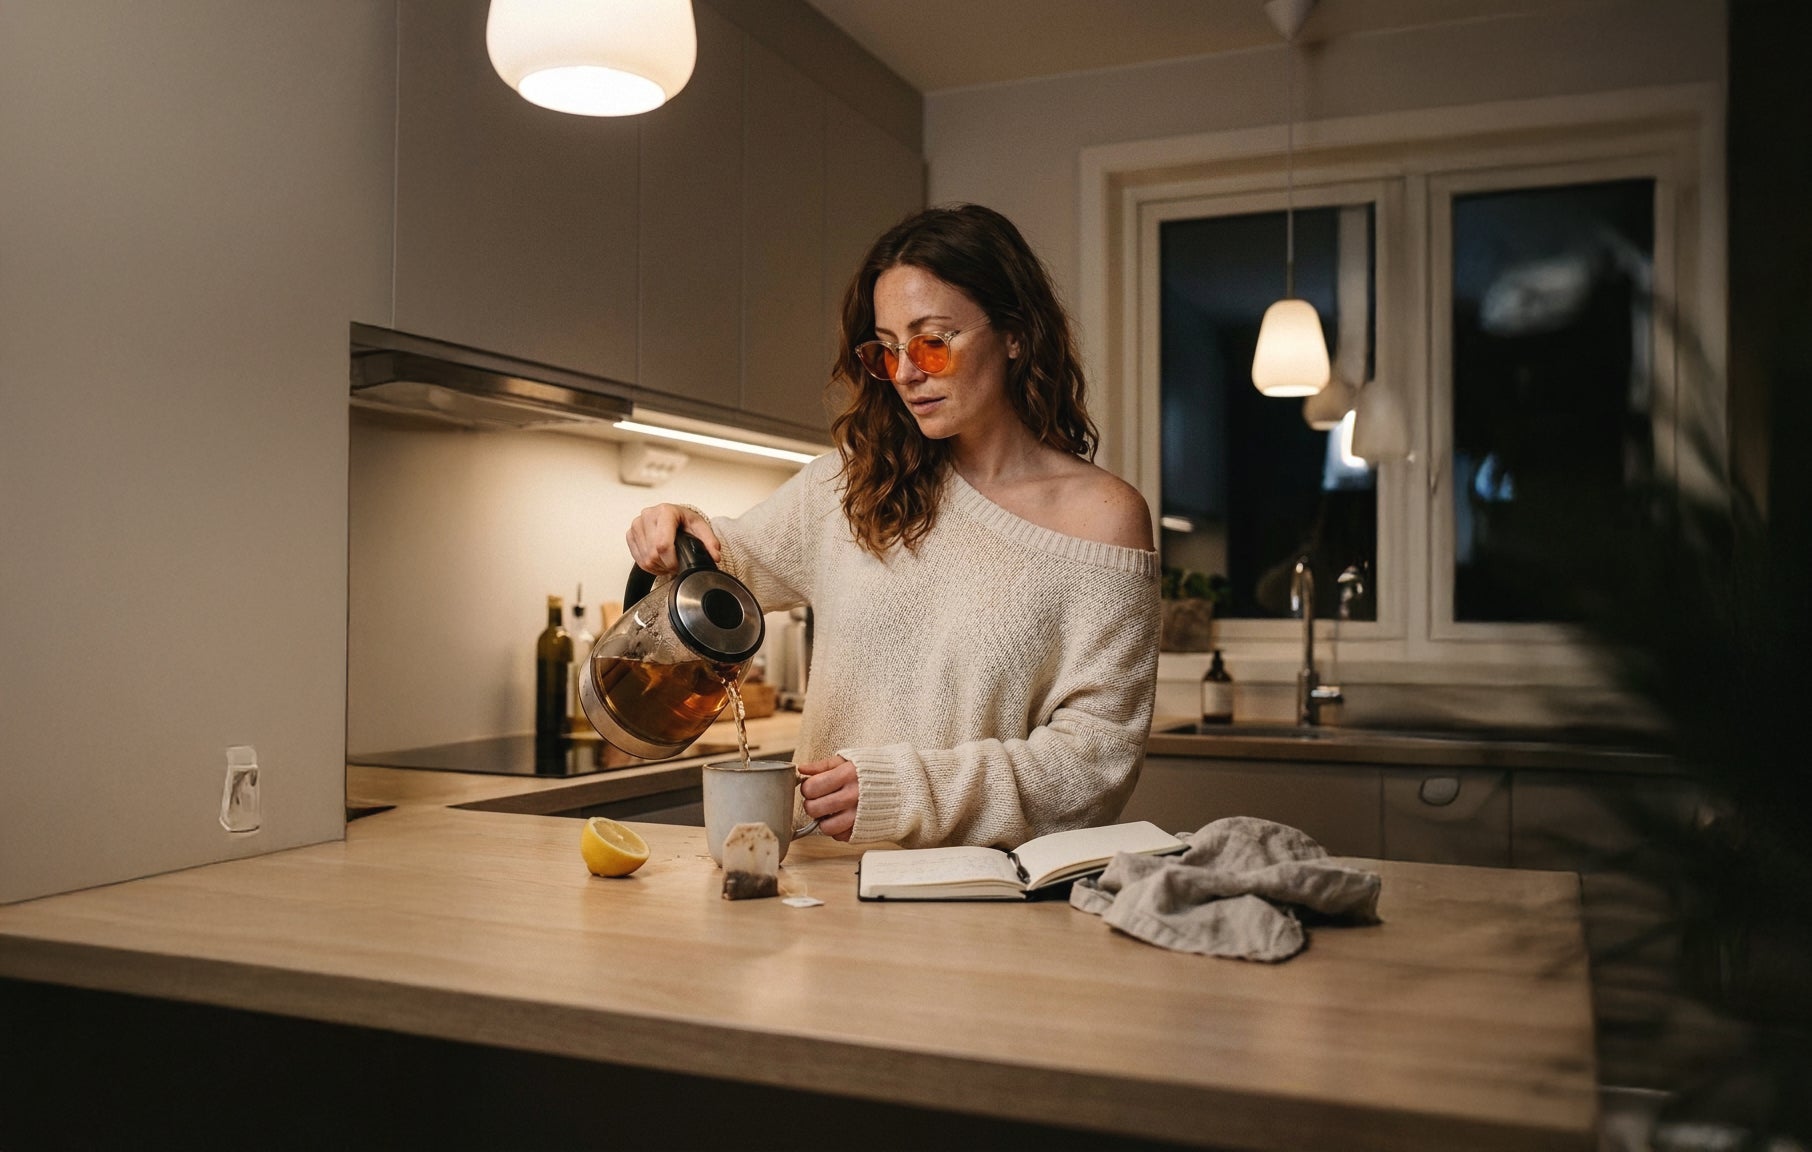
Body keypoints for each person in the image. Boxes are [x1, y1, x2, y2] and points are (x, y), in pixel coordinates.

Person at [626, 204, 1159, 849]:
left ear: (1015, 334)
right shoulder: (853, 481)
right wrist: (674, 531)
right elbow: (722, 569)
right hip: (820, 882)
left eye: (932, 342)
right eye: (886, 349)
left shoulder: (1103, 519)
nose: (906, 373)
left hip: (982, 894)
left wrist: (906, 790)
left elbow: (1095, 762)